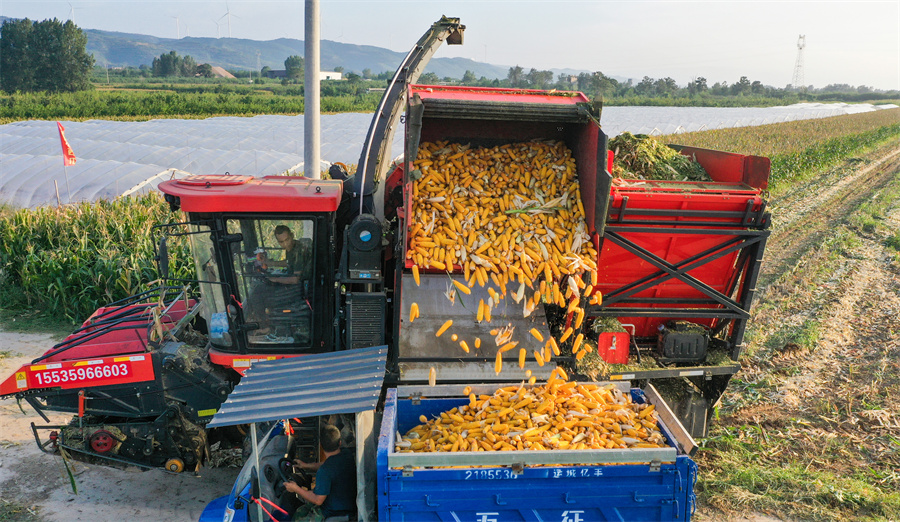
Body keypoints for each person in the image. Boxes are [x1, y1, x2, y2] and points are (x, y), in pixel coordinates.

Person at [284, 425, 357, 521]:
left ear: (321, 445)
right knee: (300, 511)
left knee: (297, 518)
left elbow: (318, 500)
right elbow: (328, 464)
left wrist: (296, 489)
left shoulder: (325, 471)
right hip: (347, 504)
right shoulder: (346, 454)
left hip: (333, 513)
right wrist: (306, 466)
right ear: (339, 443)